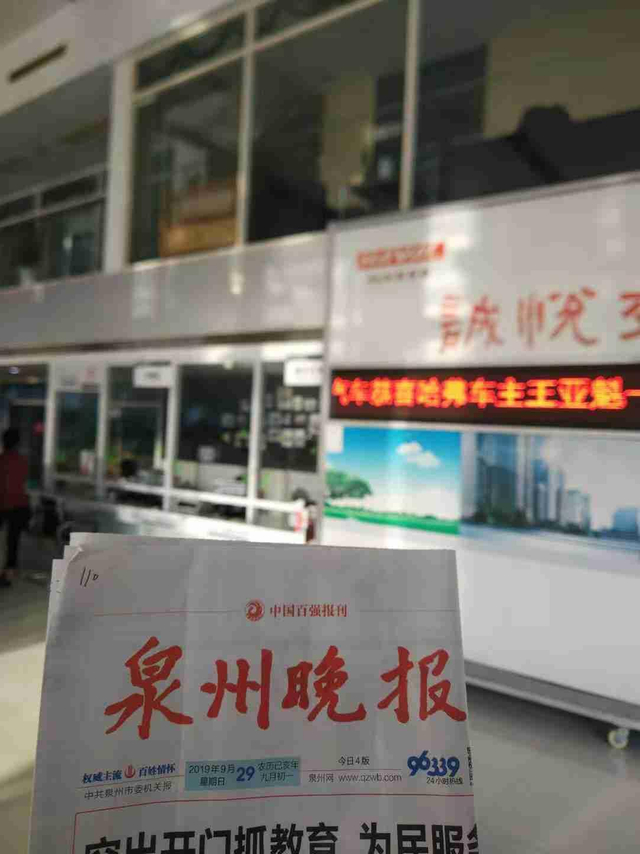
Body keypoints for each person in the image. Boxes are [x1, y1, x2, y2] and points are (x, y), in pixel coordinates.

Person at [0, 429, 31, 587]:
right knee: (13, 541)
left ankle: (7, 572)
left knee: (7, 541)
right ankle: (8, 574)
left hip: (3, 504)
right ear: (17, 443)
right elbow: (23, 483)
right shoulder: (22, 461)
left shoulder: (1, 460)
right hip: (19, 506)